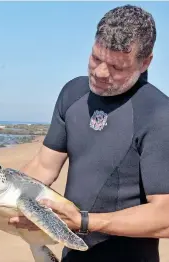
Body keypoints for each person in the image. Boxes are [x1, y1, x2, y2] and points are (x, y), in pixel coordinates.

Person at [9, 4, 169, 262]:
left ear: (146, 62)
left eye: (117, 67)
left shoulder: (159, 114)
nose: (100, 73)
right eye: (96, 58)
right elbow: (43, 166)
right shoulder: (73, 94)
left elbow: (165, 217)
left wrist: (83, 222)